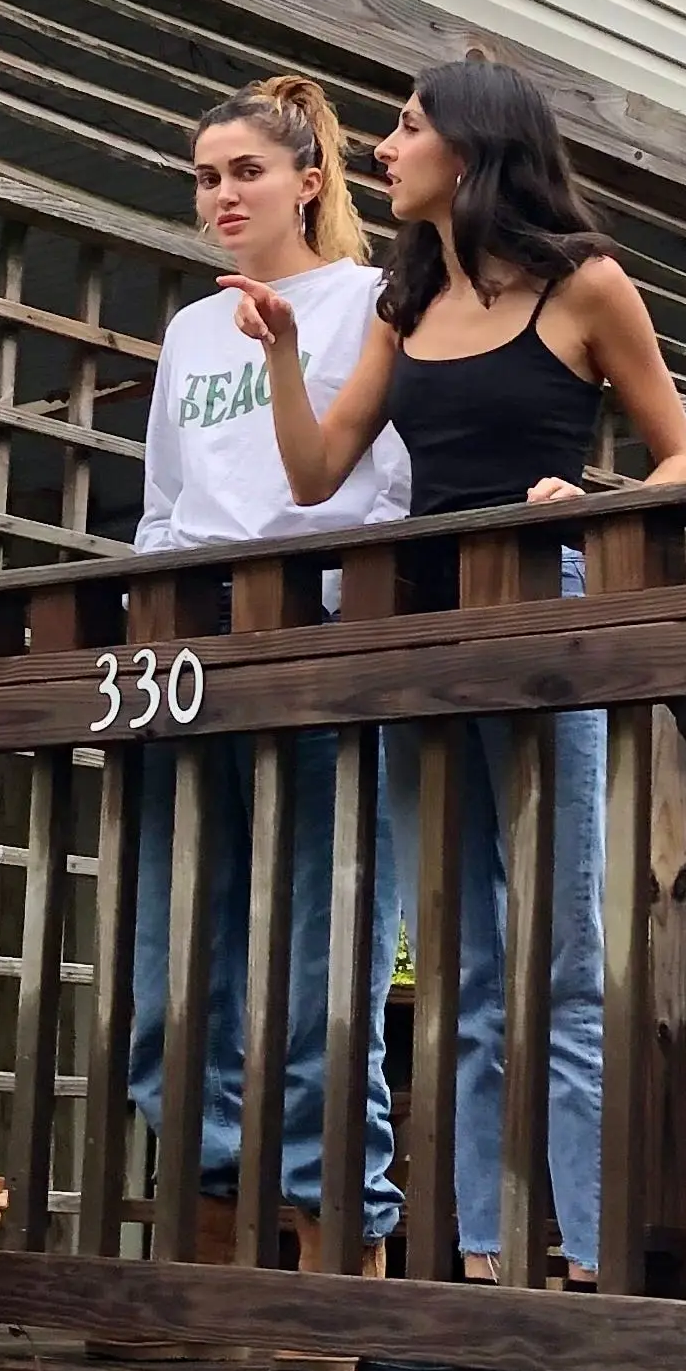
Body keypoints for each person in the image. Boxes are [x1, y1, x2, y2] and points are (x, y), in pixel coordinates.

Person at [221, 55, 686, 1304]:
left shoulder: (586, 286)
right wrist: (284, 353)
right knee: (465, 967)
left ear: (474, 148)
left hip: (544, 628)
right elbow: (317, 475)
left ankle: (587, 1272)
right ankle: (491, 1274)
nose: (385, 150)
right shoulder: (405, 303)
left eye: (406, 128)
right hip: (424, 649)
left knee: (564, 961)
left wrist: (587, 504)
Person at [131, 75, 408, 1274]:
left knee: (323, 967)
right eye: (206, 177)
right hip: (192, 663)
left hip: (322, 655)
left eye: (247, 171)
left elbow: (388, 486)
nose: (223, 195)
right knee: (175, 964)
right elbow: (164, 504)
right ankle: (207, 1230)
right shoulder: (192, 331)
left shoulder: (368, 302)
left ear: (309, 180)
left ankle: (332, 1239)